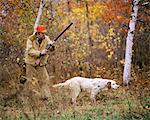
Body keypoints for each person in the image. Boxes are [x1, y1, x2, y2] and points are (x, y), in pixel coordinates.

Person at [24, 25, 54, 100]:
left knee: (45, 79)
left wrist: (52, 46)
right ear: (38, 34)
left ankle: (46, 97)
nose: (44, 35)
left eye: (44, 33)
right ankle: (27, 98)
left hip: (41, 63)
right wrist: (40, 53)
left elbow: (50, 49)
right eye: (42, 33)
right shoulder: (30, 39)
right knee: (29, 80)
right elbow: (29, 51)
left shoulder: (46, 38)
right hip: (30, 62)